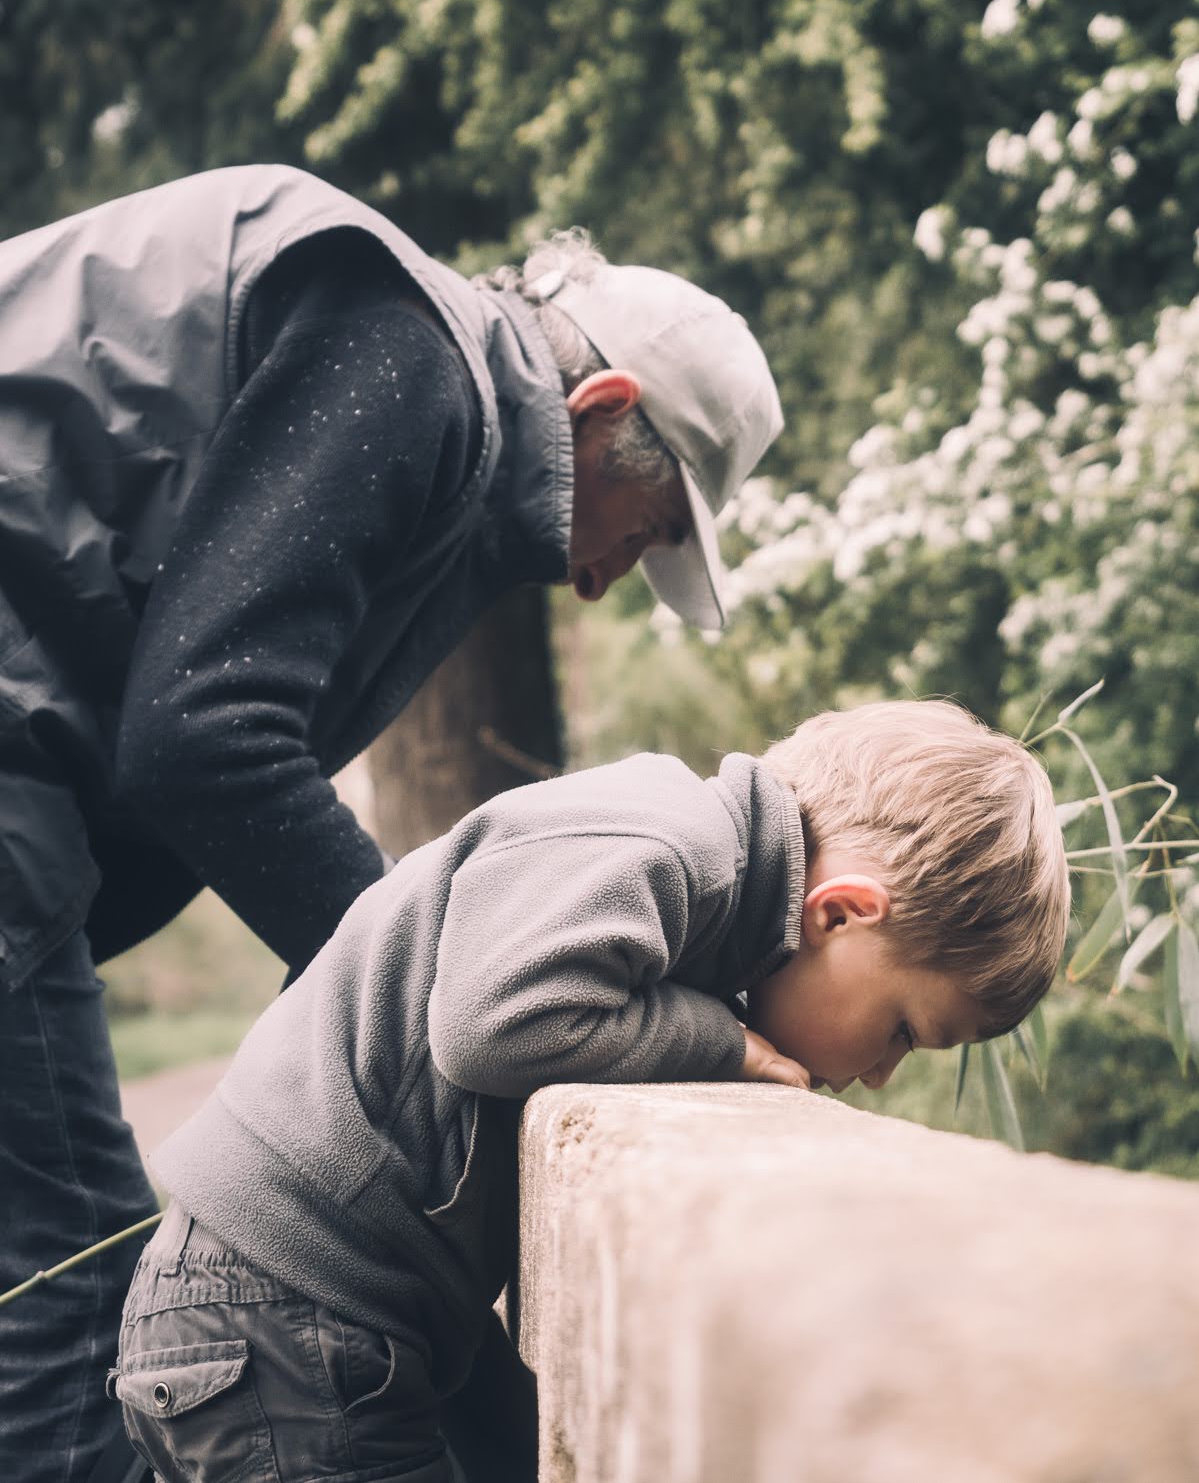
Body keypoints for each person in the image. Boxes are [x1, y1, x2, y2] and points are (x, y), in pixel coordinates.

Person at [0, 163, 783, 1483]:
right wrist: (434, 973)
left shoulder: (407, 373)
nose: (598, 584)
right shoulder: (406, 356)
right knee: (74, 1330)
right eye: (638, 531)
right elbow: (206, 736)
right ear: (599, 408)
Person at [111, 700, 1069, 1482]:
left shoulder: (701, 868)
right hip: (281, 1318)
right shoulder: (672, 839)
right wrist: (723, 1045)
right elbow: (492, 1022)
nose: (879, 1072)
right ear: (840, 913)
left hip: (317, 1317)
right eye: (904, 1029)